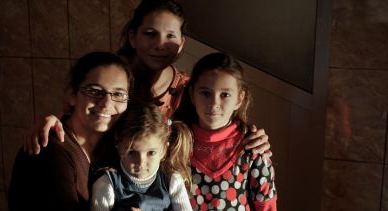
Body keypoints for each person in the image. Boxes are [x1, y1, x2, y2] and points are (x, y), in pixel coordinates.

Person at [8, 51, 192, 211]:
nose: (106, 103)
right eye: (95, 91)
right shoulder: (49, 152)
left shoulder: (118, 147)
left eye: (118, 94)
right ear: (72, 95)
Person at [23, 0, 271, 157]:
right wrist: (52, 121)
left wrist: (252, 137)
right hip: (105, 183)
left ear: (182, 43)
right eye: (150, 34)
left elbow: (221, 126)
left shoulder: (187, 89)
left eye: (170, 36)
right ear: (132, 37)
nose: (160, 45)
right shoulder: (112, 79)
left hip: (163, 197)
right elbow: (81, 116)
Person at [186, 52, 282, 211]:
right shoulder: (177, 144)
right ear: (192, 94)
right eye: (205, 93)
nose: (214, 103)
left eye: (225, 94)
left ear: (240, 98)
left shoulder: (252, 150)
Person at [89, 104, 196, 211]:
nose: (141, 163)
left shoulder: (171, 179)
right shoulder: (107, 182)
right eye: (132, 152)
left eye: (151, 153)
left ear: (164, 149)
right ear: (119, 146)